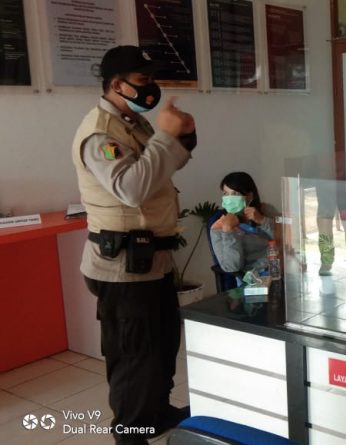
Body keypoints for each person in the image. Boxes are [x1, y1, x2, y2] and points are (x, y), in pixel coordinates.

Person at [72, 45, 196, 445]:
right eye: (143, 80)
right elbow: (131, 188)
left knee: (161, 346)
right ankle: (130, 434)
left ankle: (155, 413)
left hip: (151, 259)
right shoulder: (100, 133)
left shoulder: (131, 123)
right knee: (134, 356)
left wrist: (183, 136)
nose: (151, 87)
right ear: (116, 84)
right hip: (121, 266)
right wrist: (166, 136)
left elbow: (160, 167)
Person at [210, 171, 274, 273]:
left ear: (249, 196)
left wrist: (263, 220)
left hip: (281, 268)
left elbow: (285, 240)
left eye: (235, 193)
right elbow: (232, 267)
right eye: (226, 194)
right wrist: (228, 231)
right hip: (255, 278)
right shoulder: (218, 228)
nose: (229, 199)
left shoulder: (266, 211)